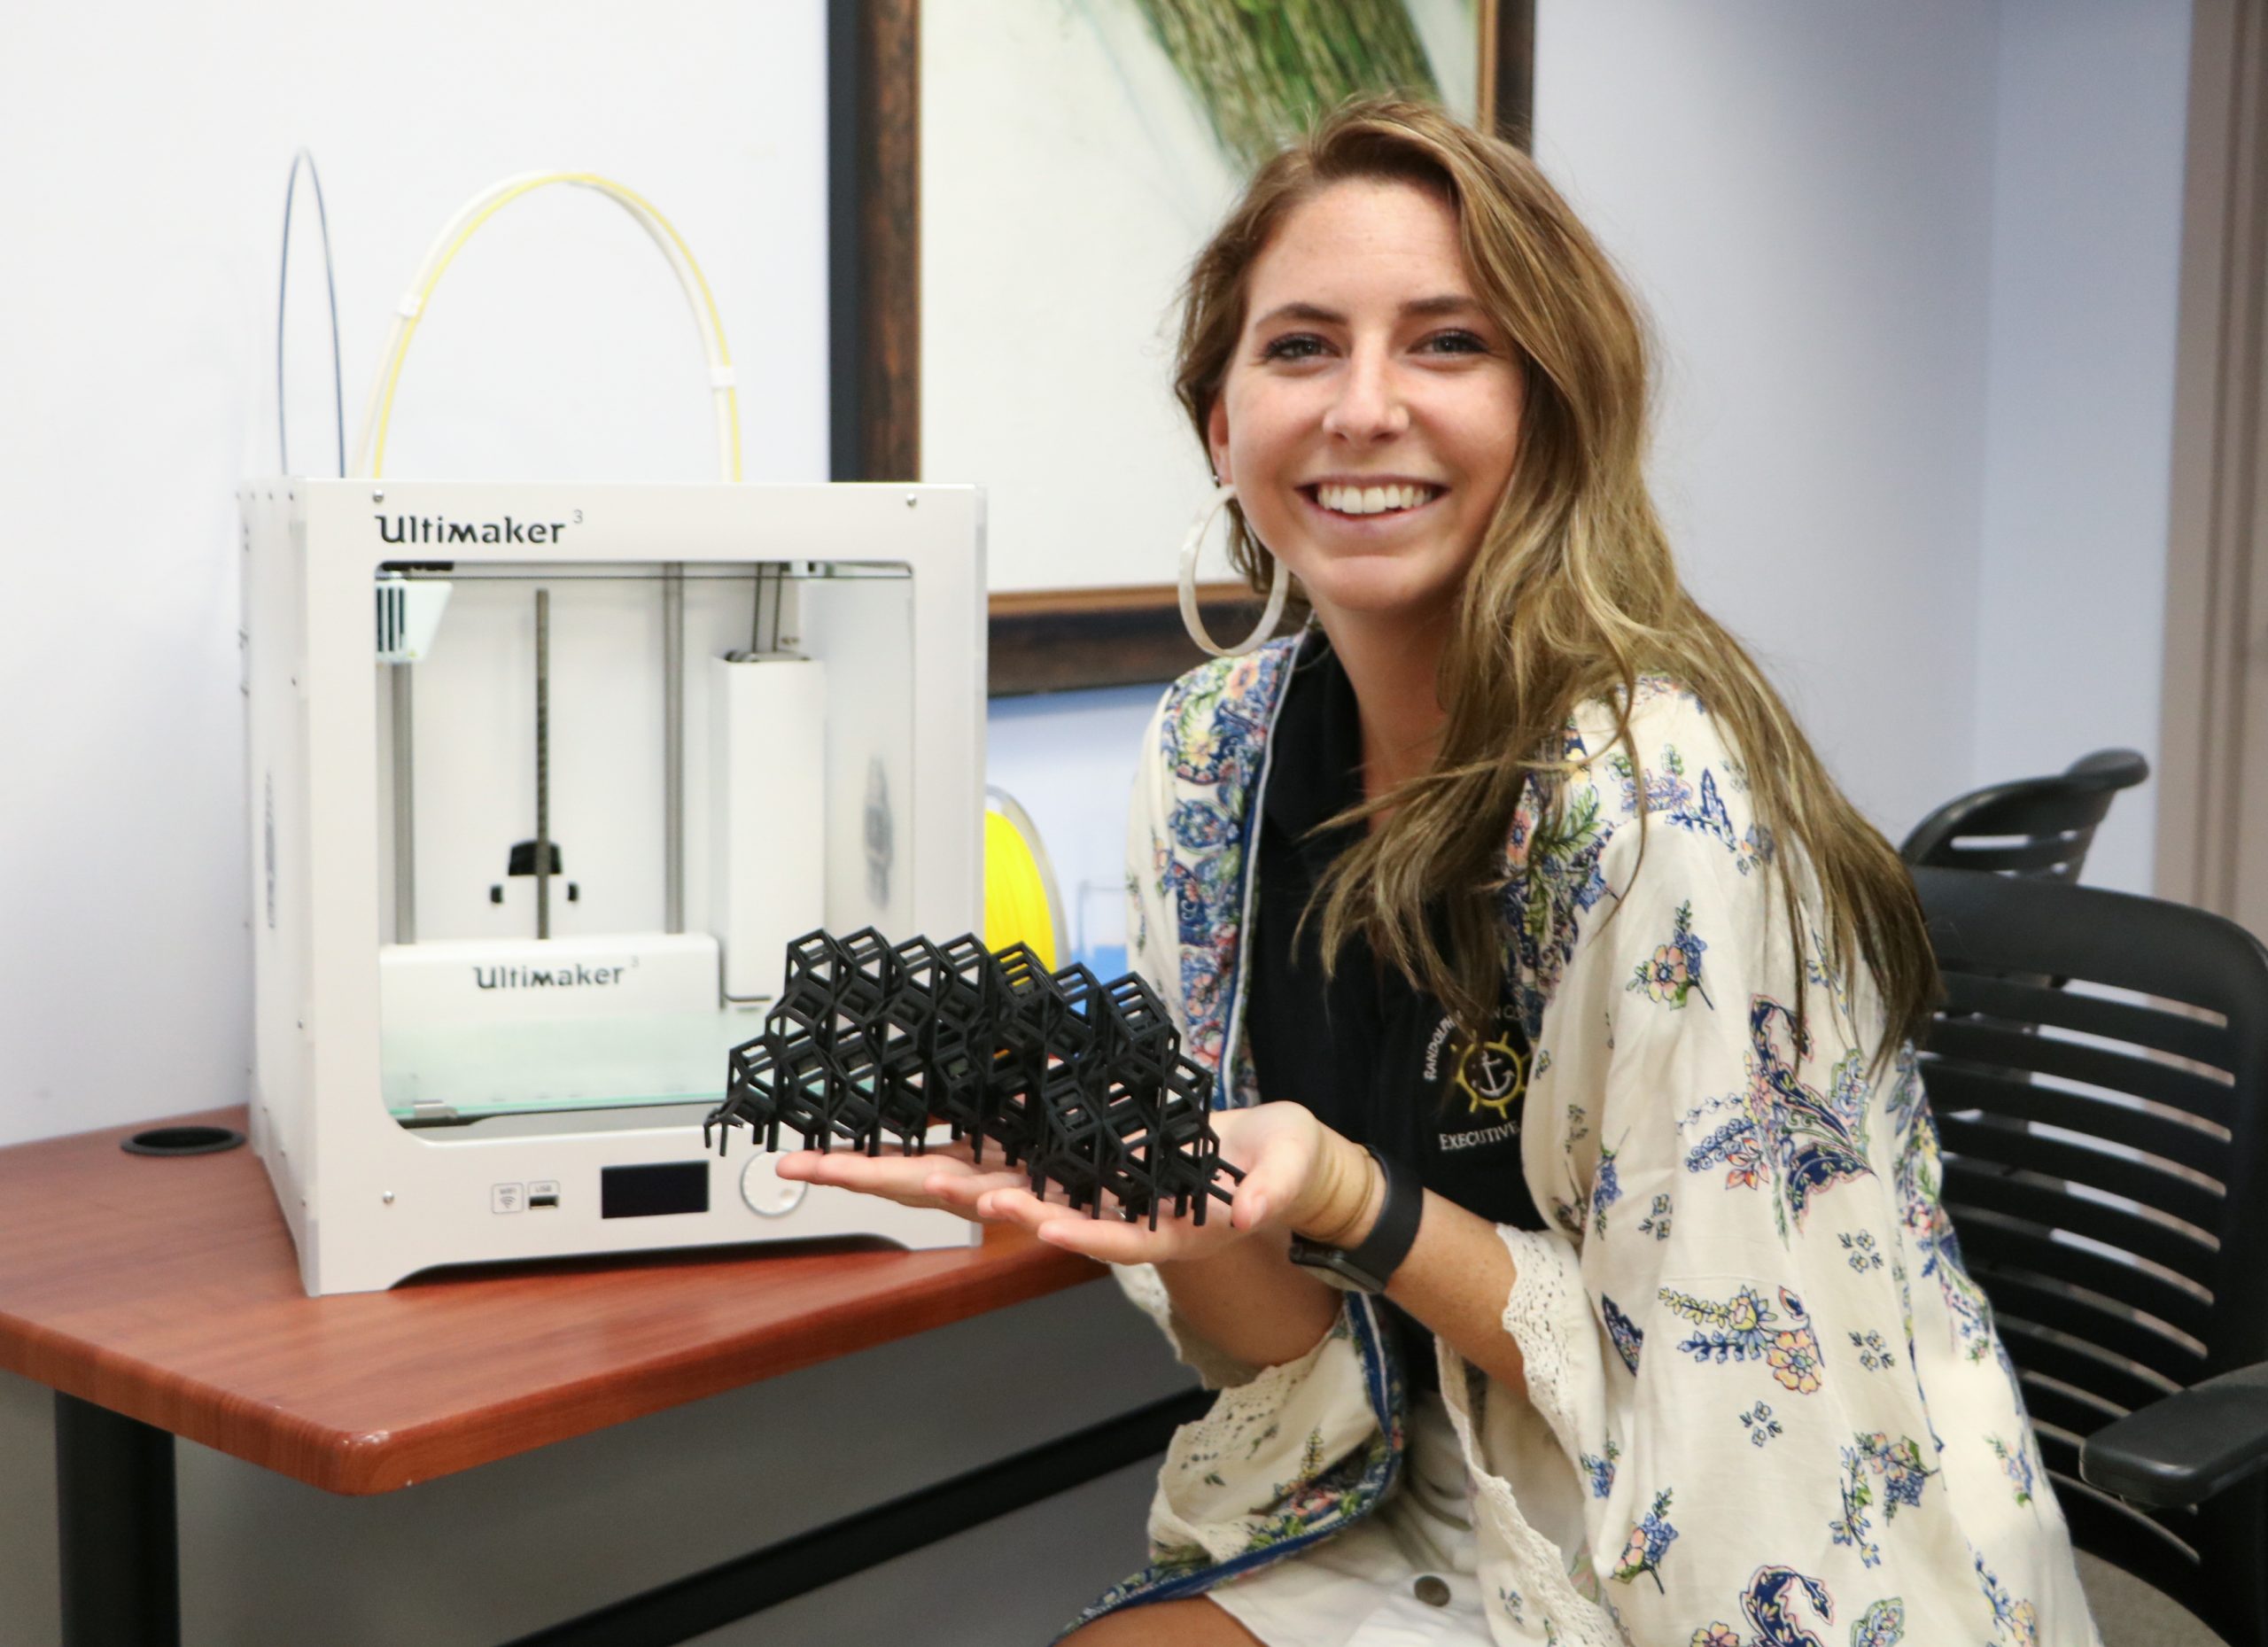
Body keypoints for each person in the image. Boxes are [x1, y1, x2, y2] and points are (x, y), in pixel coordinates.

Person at [779, 97, 2100, 1647]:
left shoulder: (1650, 799)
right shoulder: (1215, 759)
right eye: (1300, 347)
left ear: (1551, 406)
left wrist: (1357, 1198)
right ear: (1220, 426)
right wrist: (1175, 1196)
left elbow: (1727, 1414)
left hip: (1740, 1551)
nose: (1363, 408)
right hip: (1415, 1504)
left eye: (1447, 343)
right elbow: (1285, 1355)